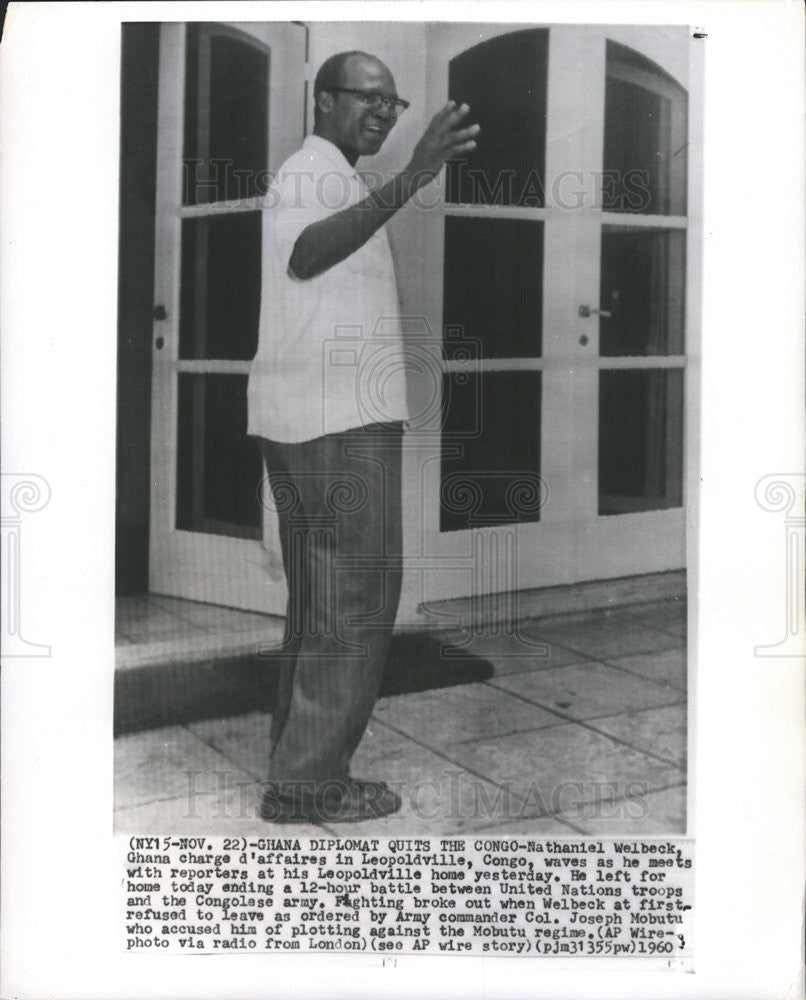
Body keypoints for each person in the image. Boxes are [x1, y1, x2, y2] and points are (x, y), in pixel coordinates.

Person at [247, 51, 479, 823]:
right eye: (366, 99)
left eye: (393, 102)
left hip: (313, 419)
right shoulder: (309, 171)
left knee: (324, 603)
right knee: (355, 599)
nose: (383, 112)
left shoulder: (328, 172)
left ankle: (298, 762)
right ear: (324, 102)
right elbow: (308, 254)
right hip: (336, 424)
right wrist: (415, 173)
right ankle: (309, 781)